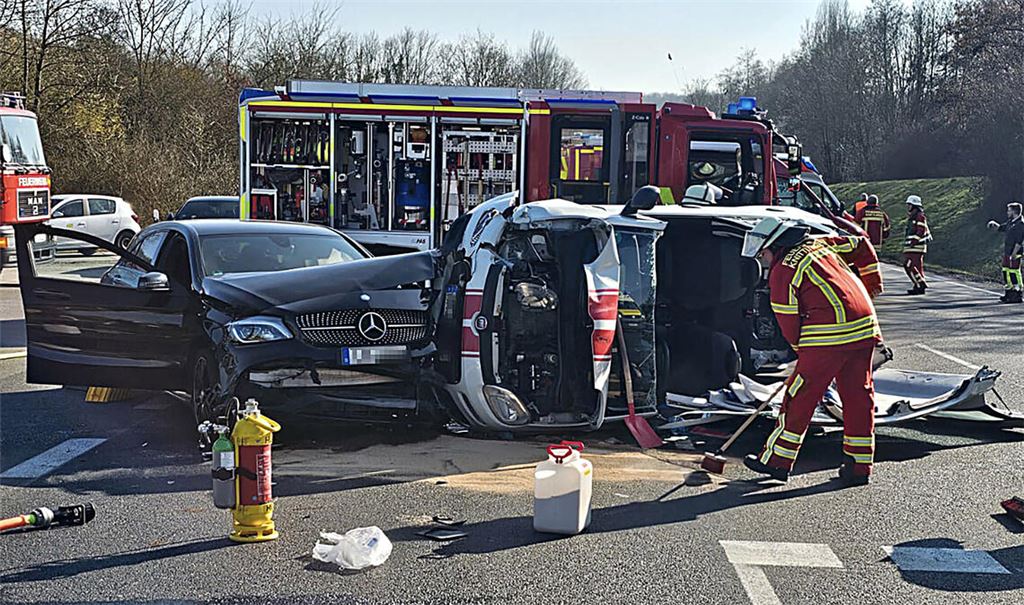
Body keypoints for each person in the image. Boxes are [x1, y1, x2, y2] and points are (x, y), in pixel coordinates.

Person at [739, 217, 881, 487]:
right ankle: (859, 466)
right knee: (858, 395)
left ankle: (777, 462)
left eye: (764, 253)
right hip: (864, 328)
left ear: (777, 245)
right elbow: (862, 245)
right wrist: (872, 283)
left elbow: (788, 322)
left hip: (828, 336)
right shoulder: (821, 244)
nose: (764, 259)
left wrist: (800, 352)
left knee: (798, 395)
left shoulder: (784, 270)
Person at [987, 201, 1023, 303]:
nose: (1007, 212)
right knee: (1006, 271)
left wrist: (1014, 253)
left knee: (1014, 272)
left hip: (1015, 252)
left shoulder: (1020, 224)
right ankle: (1009, 293)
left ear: (1014, 212)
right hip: (1008, 251)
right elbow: (1002, 228)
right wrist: (995, 225)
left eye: (1009, 210)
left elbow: (1019, 241)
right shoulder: (1010, 222)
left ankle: (1017, 293)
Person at [902, 195, 931, 295]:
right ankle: (918, 285)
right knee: (913, 266)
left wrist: (914, 241)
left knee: (910, 265)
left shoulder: (920, 216)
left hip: (917, 247)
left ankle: (920, 284)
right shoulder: (913, 216)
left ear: (915, 206)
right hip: (912, 247)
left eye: (910, 205)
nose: (908, 207)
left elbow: (921, 230)